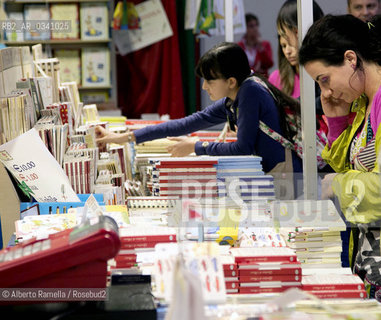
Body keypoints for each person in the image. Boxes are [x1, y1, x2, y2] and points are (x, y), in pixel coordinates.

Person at [96, 42, 302, 176]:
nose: (204, 87)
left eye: (209, 81)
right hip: (275, 172)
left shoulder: (250, 92)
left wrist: (197, 146)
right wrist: (119, 137)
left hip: (286, 175)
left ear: (230, 81)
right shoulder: (235, 96)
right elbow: (184, 124)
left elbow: (242, 148)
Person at [299, 14, 381, 300]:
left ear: (350, 59)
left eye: (324, 80)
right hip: (369, 258)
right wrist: (335, 123)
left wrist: (336, 184)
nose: (326, 92)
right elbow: (355, 166)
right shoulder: (363, 103)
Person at [268, 0, 330, 172]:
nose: (287, 49)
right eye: (283, 43)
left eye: (291, 34)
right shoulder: (278, 77)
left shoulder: (326, 70)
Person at [237, 13, 273, 78]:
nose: (255, 28)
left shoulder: (265, 44)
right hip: (246, 80)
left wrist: (261, 48)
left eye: (256, 25)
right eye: (251, 26)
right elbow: (239, 67)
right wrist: (255, 70)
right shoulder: (239, 46)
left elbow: (269, 64)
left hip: (262, 80)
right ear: (245, 28)